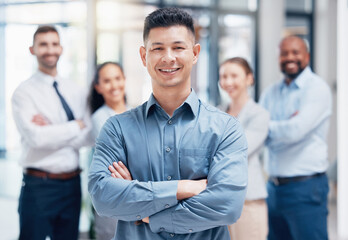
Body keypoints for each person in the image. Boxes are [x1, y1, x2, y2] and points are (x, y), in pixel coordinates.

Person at [88, 7, 248, 240]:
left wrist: (145, 211)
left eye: (178, 47)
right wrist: (183, 188)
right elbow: (103, 197)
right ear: (144, 56)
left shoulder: (226, 129)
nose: (168, 57)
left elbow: (227, 205)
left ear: (195, 53)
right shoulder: (117, 129)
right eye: (158, 48)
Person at [11, 25, 92, 240]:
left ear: (61, 49)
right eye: (43, 44)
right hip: (39, 187)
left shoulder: (76, 90)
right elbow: (36, 138)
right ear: (32, 50)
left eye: (54, 44)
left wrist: (52, 130)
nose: (50, 50)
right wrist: (75, 125)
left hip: (73, 185)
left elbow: (89, 136)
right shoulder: (23, 93)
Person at [259, 35, 332, 240]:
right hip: (274, 189)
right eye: (284, 53)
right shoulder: (270, 92)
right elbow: (258, 131)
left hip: (306, 189)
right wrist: (281, 128)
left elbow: (295, 131)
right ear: (278, 58)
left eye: (295, 52)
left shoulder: (317, 89)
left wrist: (270, 128)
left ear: (307, 57)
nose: (289, 57)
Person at [219, 57, 269, 240]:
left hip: (248, 201)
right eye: (224, 76)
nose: (228, 82)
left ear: (249, 78)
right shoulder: (217, 113)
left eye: (234, 76)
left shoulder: (259, 114)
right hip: (219, 202)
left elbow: (239, 150)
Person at [88, 62, 127, 240]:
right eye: (107, 81)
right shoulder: (99, 118)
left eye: (117, 78)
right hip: (112, 196)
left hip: (137, 196)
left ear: (124, 80)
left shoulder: (138, 111)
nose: (114, 86)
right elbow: (119, 158)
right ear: (98, 87)